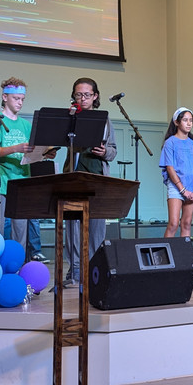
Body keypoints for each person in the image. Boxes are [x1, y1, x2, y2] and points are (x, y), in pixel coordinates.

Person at [62, 77, 117, 284]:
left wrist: (104, 152)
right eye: (78, 94)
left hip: (97, 175)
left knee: (96, 227)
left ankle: (94, 268)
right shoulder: (69, 116)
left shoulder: (104, 119)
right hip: (74, 175)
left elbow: (113, 151)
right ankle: (75, 269)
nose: (83, 98)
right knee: (73, 224)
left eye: (87, 94)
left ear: (95, 96)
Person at [0, 77, 35, 249]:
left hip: (22, 181)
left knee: (20, 230)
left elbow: (32, 150)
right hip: (1, 180)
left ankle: (17, 265)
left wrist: (44, 153)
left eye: (22, 99)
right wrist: (17, 148)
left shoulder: (26, 125)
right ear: (5, 97)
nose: (20, 103)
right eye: (16, 98)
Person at [160, 107, 193, 238]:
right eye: (185, 120)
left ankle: (184, 257)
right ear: (177, 122)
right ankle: (165, 255)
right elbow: (170, 168)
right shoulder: (170, 142)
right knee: (173, 223)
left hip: (191, 187)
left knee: (187, 223)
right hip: (176, 187)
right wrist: (183, 190)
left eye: (191, 120)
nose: (189, 123)